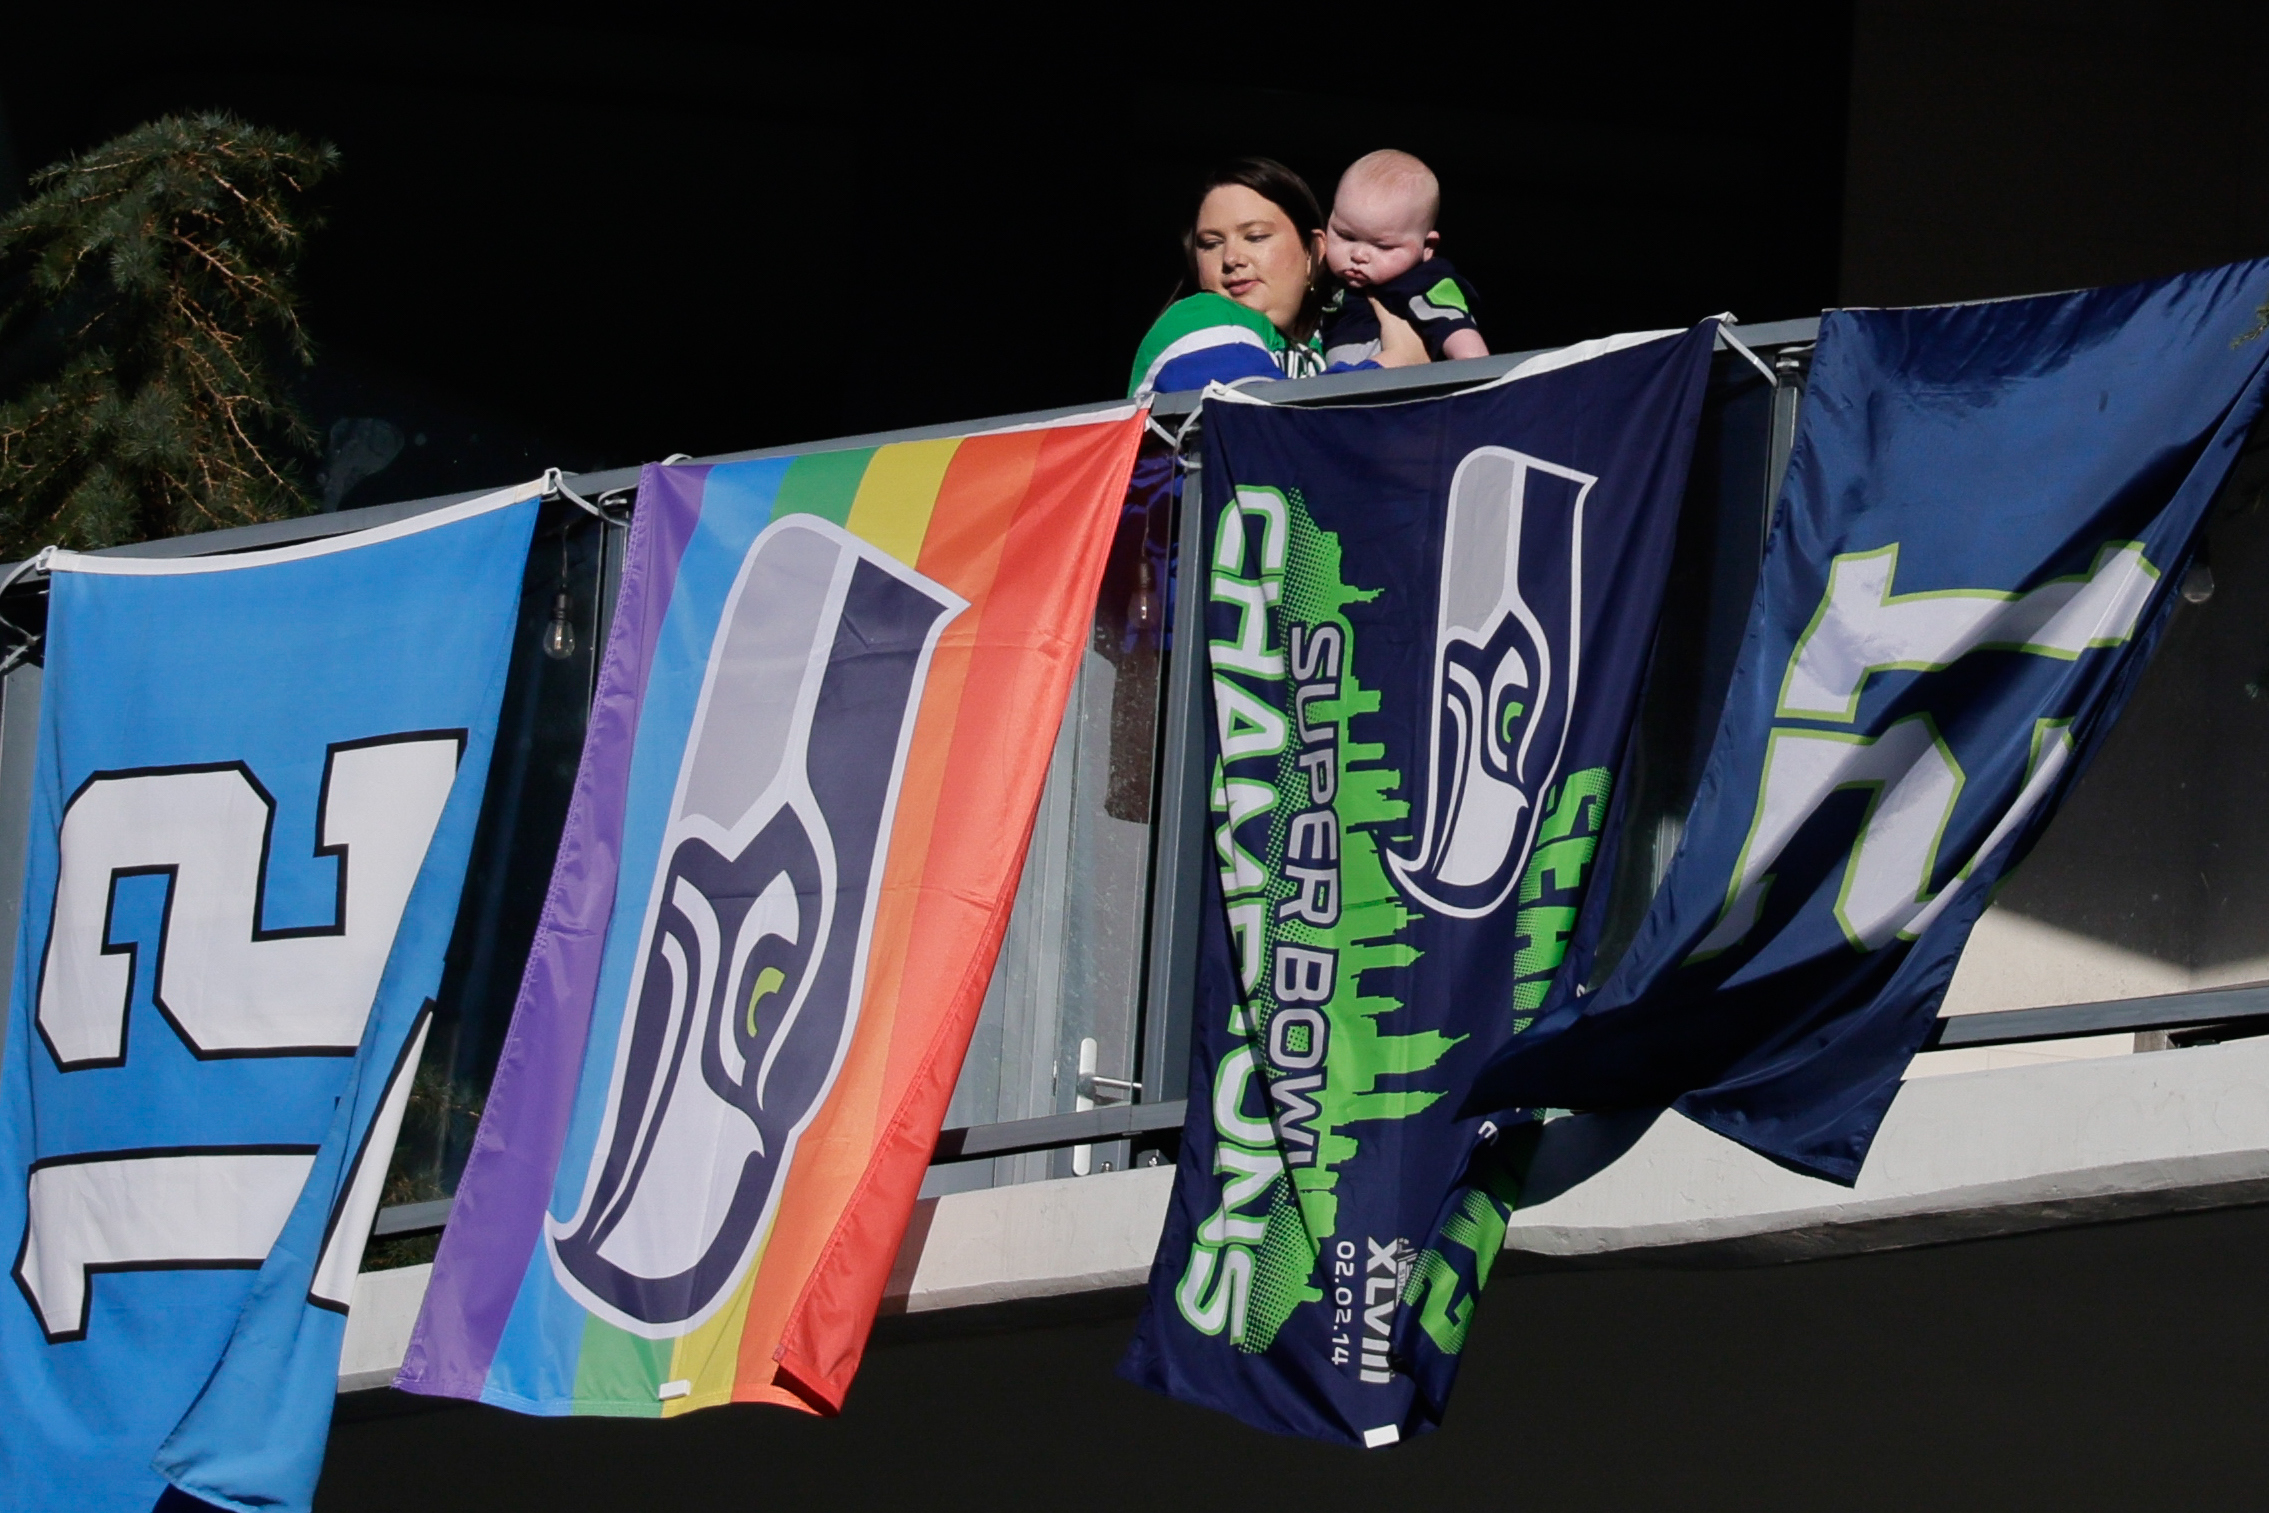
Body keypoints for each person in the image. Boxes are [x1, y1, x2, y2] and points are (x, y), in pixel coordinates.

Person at [1127, 158, 1428, 398]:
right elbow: (1262, 423)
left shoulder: (1337, 340)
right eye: (1211, 243)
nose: (1231, 258)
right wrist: (1396, 363)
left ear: (1313, 250)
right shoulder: (1195, 318)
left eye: (1255, 237)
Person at [1317, 150, 1488, 369]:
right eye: (1345, 235)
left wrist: (1473, 369)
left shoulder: (1423, 282)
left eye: (1382, 246)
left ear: (1427, 247)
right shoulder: (1327, 280)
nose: (1358, 255)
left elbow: (1456, 327)